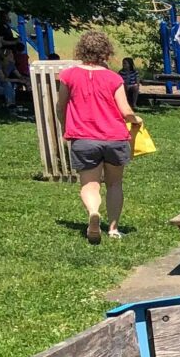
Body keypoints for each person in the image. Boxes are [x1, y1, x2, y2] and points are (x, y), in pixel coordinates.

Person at [53, 30, 142, 243]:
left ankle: (94, 212)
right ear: (106, 52)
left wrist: (66, 127)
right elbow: (124, 110)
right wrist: (135, 118)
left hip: (83, 138)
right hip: (115, 137)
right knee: (114, 184)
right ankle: (112, 228)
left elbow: (61, 106)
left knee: (89, 185)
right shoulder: (114, 78)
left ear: (81, 50)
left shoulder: (68, 75)